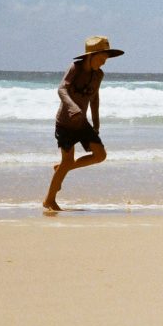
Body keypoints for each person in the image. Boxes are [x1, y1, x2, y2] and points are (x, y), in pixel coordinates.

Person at [43, 36, 124, 211]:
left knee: (100, 155)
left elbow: (94, 97)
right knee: (67, 160)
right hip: (65, 123)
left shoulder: (98, 74)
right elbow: (62, 89)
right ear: (91, 55)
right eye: (102, 58)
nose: (104, 63)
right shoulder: (75, 68)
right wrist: (72, 107)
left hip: (82, 123)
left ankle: (63, 168)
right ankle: (49, 200)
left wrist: (96, 122)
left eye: (106, 60)